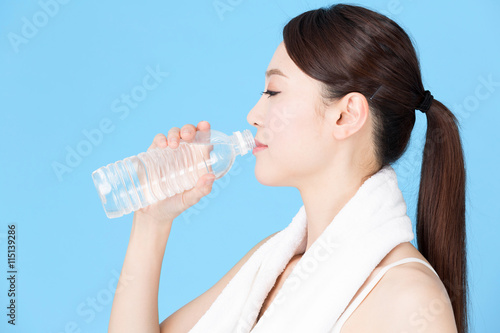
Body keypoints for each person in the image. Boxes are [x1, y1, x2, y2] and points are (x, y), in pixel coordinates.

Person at [108, 4, 467, 333]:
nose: (253, 115)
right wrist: (151, 222)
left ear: (346, 115)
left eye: (273, 92)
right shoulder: (270, 262)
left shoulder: (408, 301)